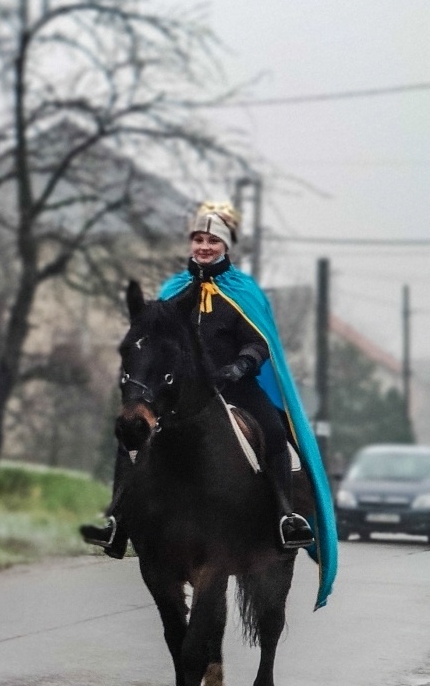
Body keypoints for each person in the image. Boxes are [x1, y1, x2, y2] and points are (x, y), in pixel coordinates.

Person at [82, 202, 327, 559]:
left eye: (213, 240)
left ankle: (284, 516)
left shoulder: (243, 292)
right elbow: (150, 341)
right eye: (198, 239)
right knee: (130, 434)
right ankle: (117, 520)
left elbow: (260, 341)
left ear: (225, 246)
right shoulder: (173, 290)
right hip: (178, 394)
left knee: (274, 432)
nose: (204, 247)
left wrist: (240, 367)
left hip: (237, 388)